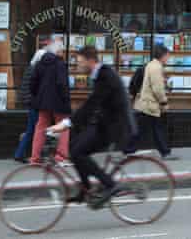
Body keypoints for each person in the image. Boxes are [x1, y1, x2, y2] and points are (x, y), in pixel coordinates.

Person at [47, 45, 134, 208]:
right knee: (74, 148)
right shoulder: (99, 74)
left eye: (80, 62)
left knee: (78, 153)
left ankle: (110, 184)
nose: (78, 66)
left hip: (114, 127)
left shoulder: (105, 76)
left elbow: (91, 104)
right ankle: (85, 189)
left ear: (90, 61)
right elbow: (94, 105)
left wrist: (66, 123)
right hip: (103, 123)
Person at [126, 44, 173, 159]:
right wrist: (164, 102)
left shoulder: (152, 65)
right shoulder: (156, 68)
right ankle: (164, 152)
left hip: (147, 103)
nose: (168, 58)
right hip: (150, 104)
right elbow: (157, 88)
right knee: (153, 128)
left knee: (149, 128)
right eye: (167, 55)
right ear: (162, 56)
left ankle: (129, 149)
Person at [30, 42, 71, 164]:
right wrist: (66, 99)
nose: (63, 53)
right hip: (58, 101)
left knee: (41, 127)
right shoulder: (60, 64)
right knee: (64, 126)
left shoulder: (40, 64)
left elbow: (33, 83)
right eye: (62, 51)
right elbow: (62, 84)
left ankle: (35, 158)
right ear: (57, 52)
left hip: (43, 101)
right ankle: (61, 157)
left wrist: (38, 96)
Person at [13, 49, 46, 163]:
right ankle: (34, 155)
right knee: (36, 130)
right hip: (34, 104)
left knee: (32, 130)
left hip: (31, 103)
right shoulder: (36, 70)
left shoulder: (31, 68)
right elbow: (35, 89)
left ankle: (20, 153)